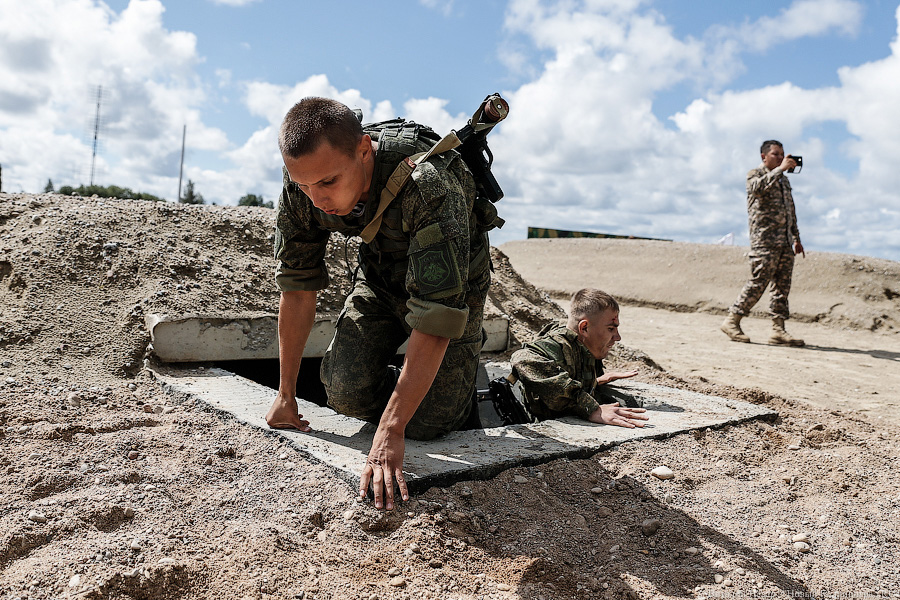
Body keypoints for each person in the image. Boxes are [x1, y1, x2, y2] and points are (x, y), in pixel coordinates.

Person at [265, 97, 501, 511]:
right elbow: (298, 288)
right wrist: (285, 393)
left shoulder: (428, 185)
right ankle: (409, 380)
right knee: (343, 390)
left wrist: (391, 430)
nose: (315, 198)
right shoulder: (303, 186)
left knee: (429, 424)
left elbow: (437, 314)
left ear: (363, 151)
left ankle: (461, 376)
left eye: (327, 183)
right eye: (303, 184)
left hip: (453, 283)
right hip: (380, 273)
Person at [510, 288, 649, 428]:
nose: (618, 337)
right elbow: (521, 359)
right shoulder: (556, 347)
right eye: (611, 329)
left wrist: (595, 382)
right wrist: (591, 408)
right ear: (585, 328)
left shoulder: (583, 346)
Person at [721, 140, 806, 346]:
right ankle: (732, 321)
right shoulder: (755, 174)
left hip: (785, 242)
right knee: (758, 282)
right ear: (764, 157)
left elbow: (790, 211)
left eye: (783, 155)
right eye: (776, 154)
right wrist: (780, 170)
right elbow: (756, 189)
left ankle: (778, 331)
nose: (782, 158)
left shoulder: (784, 181)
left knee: (781, 287)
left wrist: (796, 238)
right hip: (765, 241)